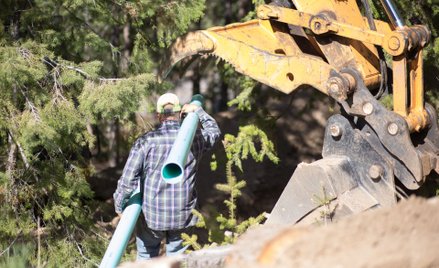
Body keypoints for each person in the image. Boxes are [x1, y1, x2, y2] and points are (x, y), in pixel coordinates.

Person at [113, 92, 221, 260]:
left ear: (159, 116)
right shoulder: (195, 139)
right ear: (180, 113)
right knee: (177, 261)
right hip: (183, 216)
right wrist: (198, 111)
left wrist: (119, 206)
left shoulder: (146, 141)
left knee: (146, 257)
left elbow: (128, 181)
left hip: (152, 218)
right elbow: (214, 131)